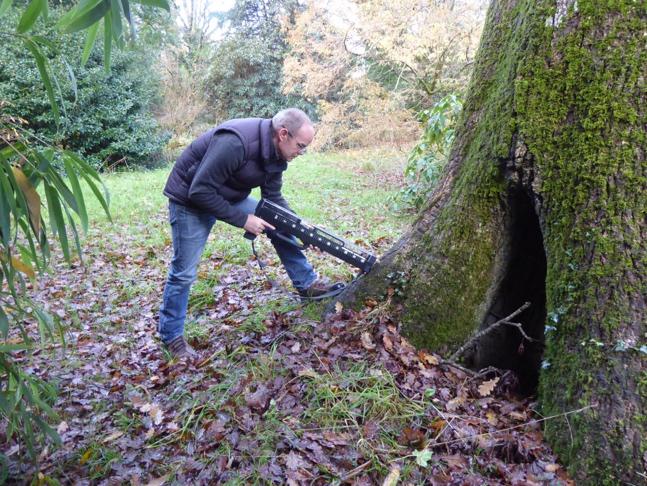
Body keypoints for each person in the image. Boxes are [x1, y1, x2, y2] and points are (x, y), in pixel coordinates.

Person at [159, 108, 337, 358]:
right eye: (301, 146)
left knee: (278, 225)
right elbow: (199, 191)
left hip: (227, 195)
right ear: (283, 134)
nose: (302, 152)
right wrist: (243, 220)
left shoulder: (278, 154)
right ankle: (172, 336)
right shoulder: (235, 142)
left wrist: (301, 228)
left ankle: (306, 283)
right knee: (184, 272)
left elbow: (273, 200)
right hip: (190, 199)